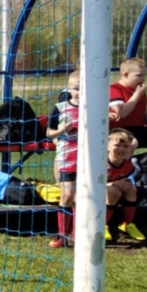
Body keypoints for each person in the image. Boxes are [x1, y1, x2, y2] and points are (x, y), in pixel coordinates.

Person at [47, 70, 81, 249]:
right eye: (76, 88)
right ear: (68, 89)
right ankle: (62, 234)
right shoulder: (60, 108)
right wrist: (62, 130)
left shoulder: (94, 108)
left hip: (87, 158)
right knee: (67, 194)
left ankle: (77, 234)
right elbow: (49, 132)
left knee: (82, 196)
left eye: (84, 88)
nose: (80, 92)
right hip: (67, 156)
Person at [109, 57, 147, 151]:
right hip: (120, 131)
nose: (143, 79)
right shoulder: (114, 89)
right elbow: (122, 114)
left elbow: (144, 115)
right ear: (126, 74)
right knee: (131, 143)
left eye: (144, 75)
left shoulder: (139, 91)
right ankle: (126, 161)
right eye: (139, 75)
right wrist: (137, 94)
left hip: (138, 129)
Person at [106, 129, 145, 243]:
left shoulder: (128, 166)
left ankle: (127, 224)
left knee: (131, 189)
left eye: (125, 146)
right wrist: (113, 183)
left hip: (114, 194)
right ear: (107, 146)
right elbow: (91, 184)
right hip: (95, 192)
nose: (121, 149)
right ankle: (102, 225)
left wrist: (122, 184)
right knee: (114, 191)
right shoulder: (100, 163)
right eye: (117, 145)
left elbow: (126, 181)